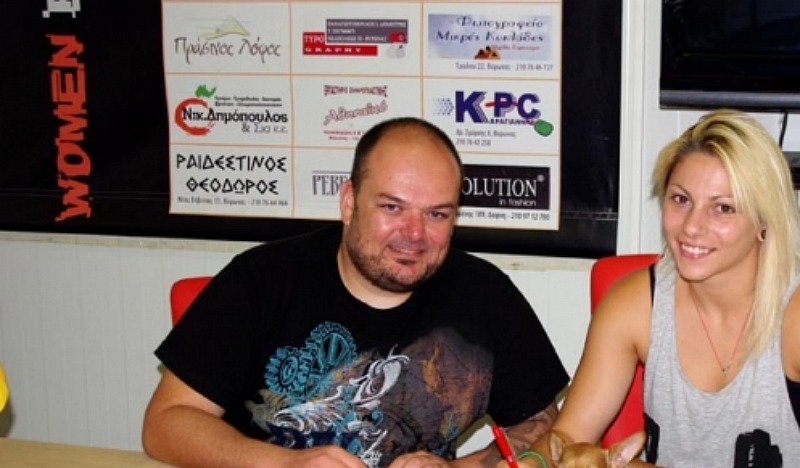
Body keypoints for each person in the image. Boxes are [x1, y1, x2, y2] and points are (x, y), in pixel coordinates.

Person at [142, 116, 569, 468]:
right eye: (392, 207)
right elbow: (165, 423)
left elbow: (549, 431)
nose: (414, 234)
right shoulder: (261, 279)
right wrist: (284, 464)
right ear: (349, 202)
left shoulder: (485, 295)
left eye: (436, 214)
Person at [520, 109, 800, 467]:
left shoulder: (793, 316)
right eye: (681, 199)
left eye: (723, 208)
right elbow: (570, 437)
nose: (691, 227)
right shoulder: (634, 304)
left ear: (765, 220)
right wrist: (531, 462)